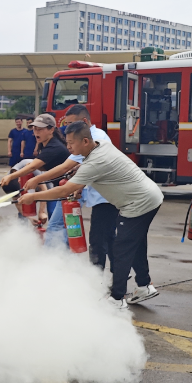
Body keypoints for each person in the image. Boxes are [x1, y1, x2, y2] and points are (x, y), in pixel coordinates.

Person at [21, 121, 163, 309]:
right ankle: (144, 285)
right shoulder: (102, 145)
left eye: (71, 143)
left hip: (139, 204)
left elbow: (64, 191)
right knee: (135, 244)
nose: (69, 148)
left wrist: (34, 197)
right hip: (149, 197)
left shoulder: (95, 162)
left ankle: (117, 298)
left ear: (86, 141)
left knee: (121, 249)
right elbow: (96, 173)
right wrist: (79, 181)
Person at [25, 105, 118, 266]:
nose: (67, 128)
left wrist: (35, 186)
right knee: (107, 239)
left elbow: (65, 169)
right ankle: (120, 278)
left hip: (106, 197)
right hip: (101, 196)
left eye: (71, 124)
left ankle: (95, 282)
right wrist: (80, 186)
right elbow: (83, 168)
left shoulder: (94, 138)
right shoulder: (92, 136)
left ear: (83, 122)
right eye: (66, 124)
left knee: (95, 241)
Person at [0, 114, 69, 225]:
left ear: (51, 129)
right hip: (62, 189)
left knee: (56, 227)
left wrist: (11, 176)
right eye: (35, 129)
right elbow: (41, 166)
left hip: (70, 190)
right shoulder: (45, 144)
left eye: (40, 129)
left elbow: (34, 167)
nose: (36, 132)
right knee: (59, 227)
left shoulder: (54, 146)